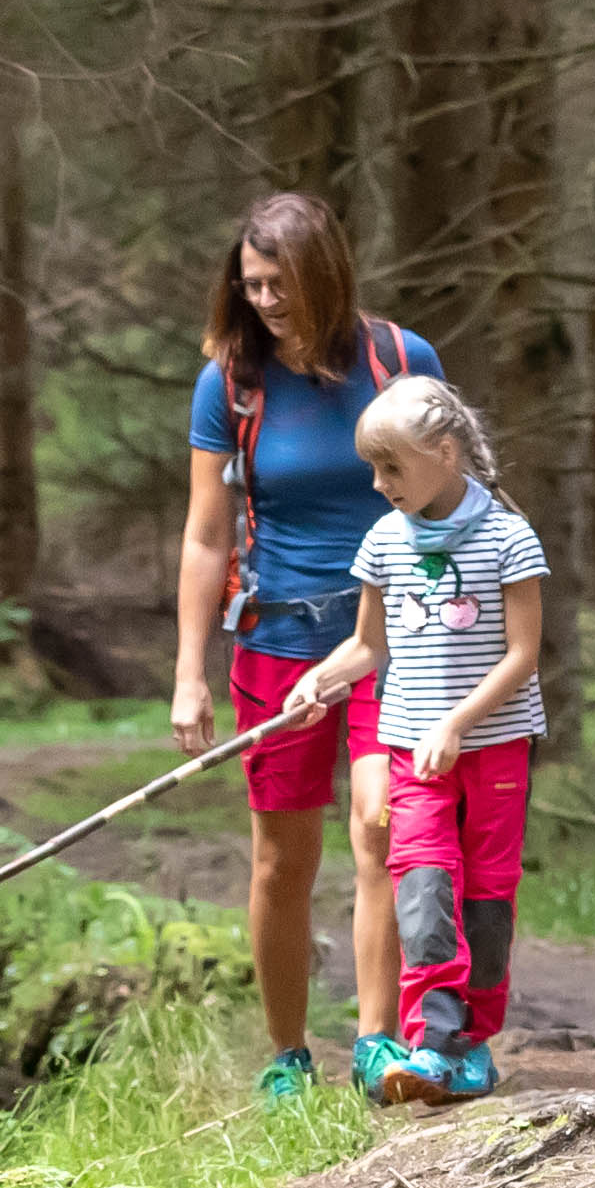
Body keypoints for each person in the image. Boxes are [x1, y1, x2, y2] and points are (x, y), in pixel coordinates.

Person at [166, 195, 446, 1100]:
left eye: (281, 283)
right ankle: (288, 1055)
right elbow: (207, 538)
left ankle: (376, 1044)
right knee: (283, 860)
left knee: (381, 827)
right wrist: (188, 677)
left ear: (323, 274)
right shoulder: (232, 384)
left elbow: (451, 500)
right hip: (278, 643)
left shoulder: (402, 362)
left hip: (388, 640)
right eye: (251, 286)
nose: (267, 301)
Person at [276, 374, 549, 1106]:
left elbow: (523, 655)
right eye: (374, 467)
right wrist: (320, 681)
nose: (379, 484)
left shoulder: (507, 538)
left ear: (446, 452)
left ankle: (472, 1043)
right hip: (410, 753)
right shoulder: (384, 543)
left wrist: (457, 724)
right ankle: (430, 1041)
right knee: (424, 891)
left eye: (392, 466)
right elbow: (369, 647)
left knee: (487, 899)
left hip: (493, 749)